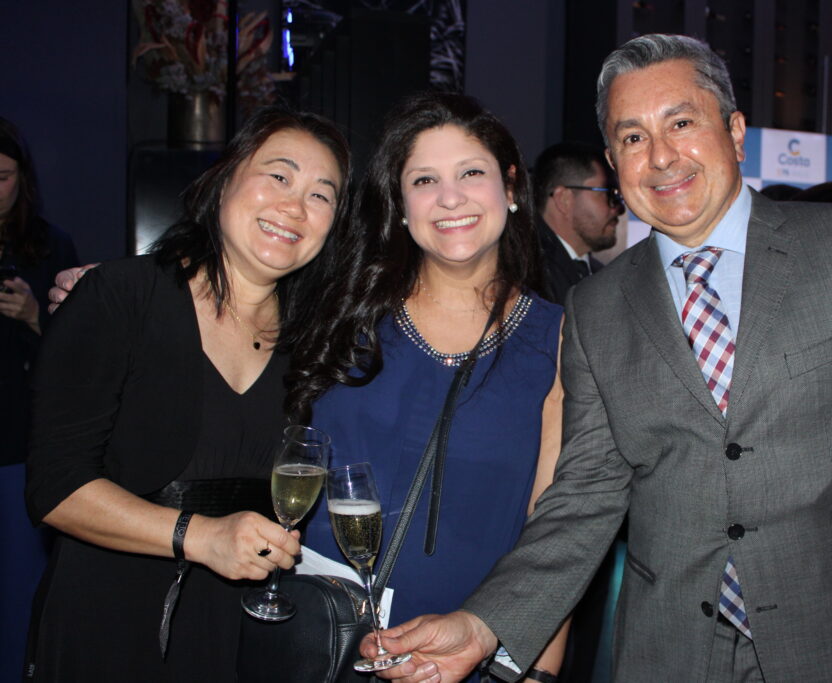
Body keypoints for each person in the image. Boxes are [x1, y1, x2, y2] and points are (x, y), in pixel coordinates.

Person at [366, 33, 832, 683]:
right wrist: (484, 621)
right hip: (671, 654)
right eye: (632, 138)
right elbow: (584, 497)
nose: (661, 156)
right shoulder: (596, 309)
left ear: (736, 131)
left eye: (681, 123)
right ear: (612, 161)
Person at [23, 106, 350, 681]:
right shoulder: (123, 296)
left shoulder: (313, 344)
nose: (295, 206)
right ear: (225, 178)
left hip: (241, 630)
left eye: (322, 195)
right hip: (111, 620)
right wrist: (199, 536)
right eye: (279, 175)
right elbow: (54, 489)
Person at [288, 92, 568, 683]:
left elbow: (558, 520)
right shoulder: (341, 311)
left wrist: (537, 671)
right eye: (424, 180)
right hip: (318, 644)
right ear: (400, 203)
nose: (450, 198)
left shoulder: (561, 340)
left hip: (469, 661)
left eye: (471, 173)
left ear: (511, 189)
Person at [0, 116, 79, 679]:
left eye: (1, 176)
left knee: (17, 587)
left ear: (21, 179)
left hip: (17, 441)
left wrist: (33, 316)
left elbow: (81, 356)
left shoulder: (50, 246)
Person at [532, 142, 624, 305]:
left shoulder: (601, 276)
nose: (619, 208)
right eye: (608, 193)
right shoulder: (527, 276)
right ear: (564, 199)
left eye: (617, 196)